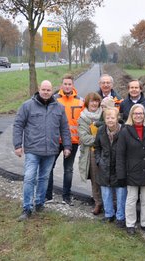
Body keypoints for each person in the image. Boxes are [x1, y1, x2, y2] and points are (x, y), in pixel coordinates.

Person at [13, 80, 71, 221]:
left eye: (48, 90)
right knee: (29, 178)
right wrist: (17, 145)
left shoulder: (59, 108)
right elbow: (18, 125)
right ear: (39, 89)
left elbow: (64, 128)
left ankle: (39, 203)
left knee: (44, 178)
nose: (46, 92)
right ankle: (27, 208)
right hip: (33, 149)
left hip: (51, 150)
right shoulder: (27, 106)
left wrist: (67, 146)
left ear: (53, 91)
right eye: (43, 89)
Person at [116, 104, 145, 235]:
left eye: (141, 113)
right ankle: (130, 224)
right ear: (131, 115)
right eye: (136, 113)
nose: (138, 116)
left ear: (144, 115)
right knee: (131, 199)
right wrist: (121, 174)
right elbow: (120, 155)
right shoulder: (125, 132)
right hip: (131, 171)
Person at [46, 74, 84, 206]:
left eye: (69, 84)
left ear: (73, 85)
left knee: (68, 170)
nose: (67, 86)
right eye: (65, 84)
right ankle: (47, 196)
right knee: (49, 167)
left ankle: (66, 197)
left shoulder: (80, 101)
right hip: (56, 141)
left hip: (73, 141)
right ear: (61, 85)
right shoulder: (54, 100)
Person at [94, 107, 127, 228]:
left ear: (117, 118)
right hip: (105, 167)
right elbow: (97, 147)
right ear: (104, 119)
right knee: (106, 193)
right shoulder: (101, 130)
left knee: (121, 193)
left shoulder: (124, 130)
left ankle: (120, 217)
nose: (110, 120)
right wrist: (99, 161)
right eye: (107, 118)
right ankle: (109, 214)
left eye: (112, 117)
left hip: (120, 167)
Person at [78, 92, 103, 215]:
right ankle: (97, 202)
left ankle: (109, 203)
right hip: (91, 152)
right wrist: (101, 139)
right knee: (95, 179)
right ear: (87, 103)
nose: (94, 103)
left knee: (108, 177)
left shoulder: (104, 115)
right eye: (92, 101)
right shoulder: (82, 118)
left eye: (96, 101)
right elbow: (84, 138)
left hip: (106, 152)